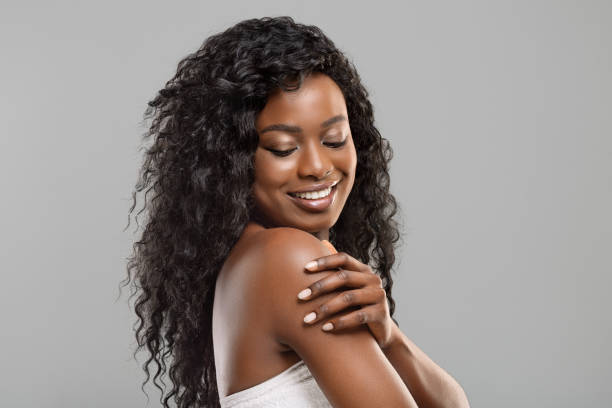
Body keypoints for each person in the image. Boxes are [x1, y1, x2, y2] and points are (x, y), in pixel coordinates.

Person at [124, 16, 470, 408]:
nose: (317, 166)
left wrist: (390, 336)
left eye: (334, 139)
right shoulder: (286, 258)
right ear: (232, 161)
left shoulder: (253, 263)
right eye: (284, 148)